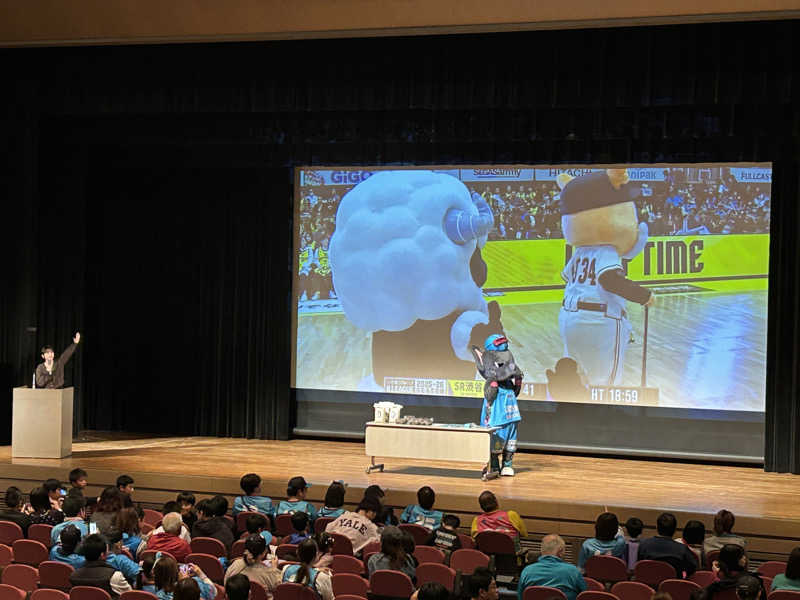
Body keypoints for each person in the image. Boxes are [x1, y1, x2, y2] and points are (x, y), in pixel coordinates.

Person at [517, 534, 587, 600]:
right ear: (560, 552)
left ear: (542, 551)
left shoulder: (527, 571)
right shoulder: (573, 571)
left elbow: (520, 597)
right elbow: (585, 596)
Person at [69, 533, 132, 597]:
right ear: (102, 555)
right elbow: (130, 596)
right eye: (107, 551)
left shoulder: (73, 576)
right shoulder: (114, 577)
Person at [639, 513, 698, 577]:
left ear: (656, 527)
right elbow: (693, 567)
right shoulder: (682, 549)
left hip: (647, 583)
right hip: (673, 585)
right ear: (675, 530)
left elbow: (639, 564)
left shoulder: (644, 544)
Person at [152, 554, 216, 600]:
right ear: (177, 572)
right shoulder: (195, 584)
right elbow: (213, 592)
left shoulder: (157, 595)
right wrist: (201, 574)